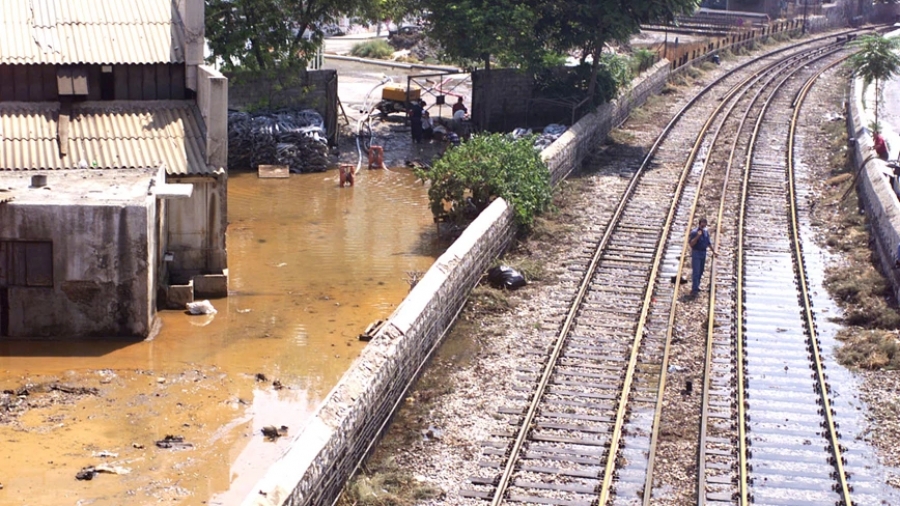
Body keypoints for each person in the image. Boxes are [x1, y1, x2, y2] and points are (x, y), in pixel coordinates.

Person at [688, 217, 716, 297]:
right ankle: (694, 289)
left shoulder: (706, 232)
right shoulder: (694, 232)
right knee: (696, 271)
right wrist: (697, 236)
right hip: (696, 252)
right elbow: (691, 244)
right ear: (699, 224)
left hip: (703, 253)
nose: (703, 225)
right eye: (702, 223)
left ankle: (697, 286)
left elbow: (708, 243)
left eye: (705, 223)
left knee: (701, 270)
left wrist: (713, 251)